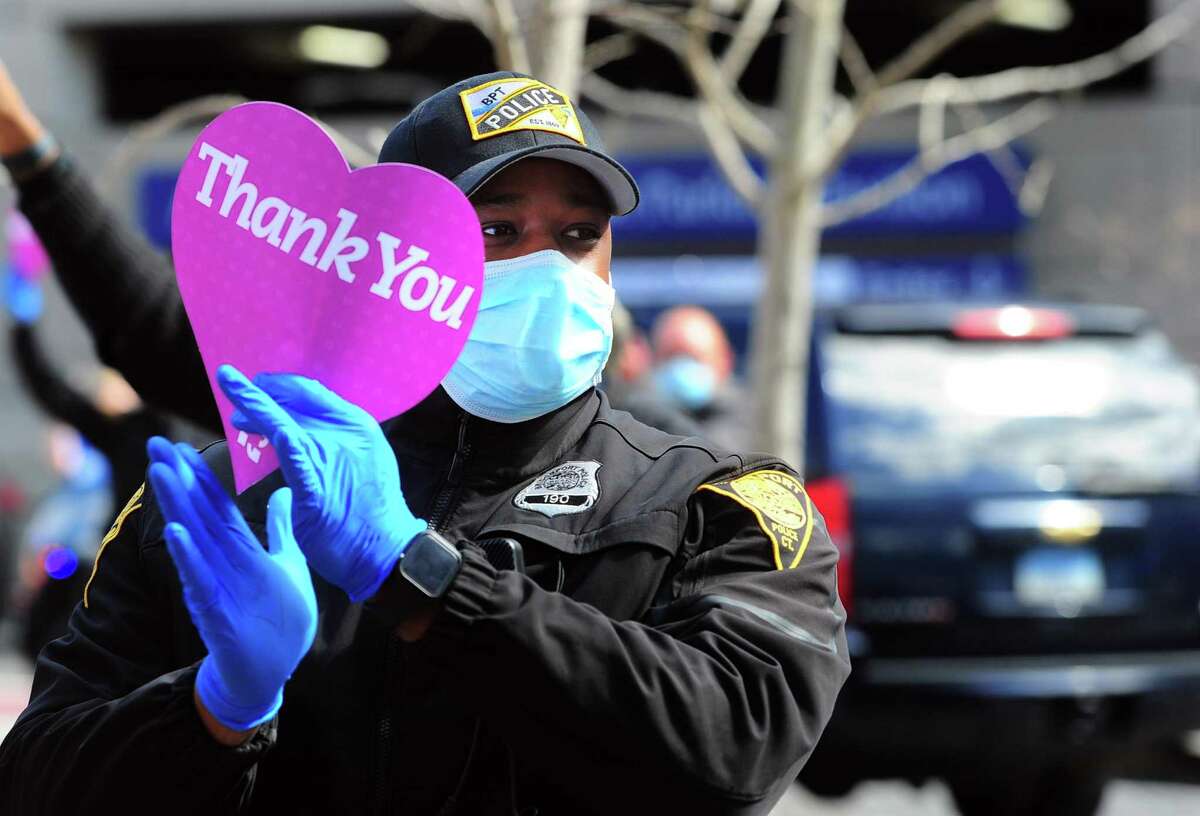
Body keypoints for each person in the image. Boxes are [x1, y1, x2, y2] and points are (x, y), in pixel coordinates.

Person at [0, 71, 849, 815]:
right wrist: (217, 711)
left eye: (580, 234)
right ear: (396, 259)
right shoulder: (230, 501)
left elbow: (737, 751)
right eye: (497, 232)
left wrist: (424, 579)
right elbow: (36, 782)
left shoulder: (710, 505)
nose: (551, 269)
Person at [649, 304, 751, 450]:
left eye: (693, 357)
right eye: (671, 356)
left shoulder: (752, 420)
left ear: (725, 360)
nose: (681, 366)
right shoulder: (638, 418)